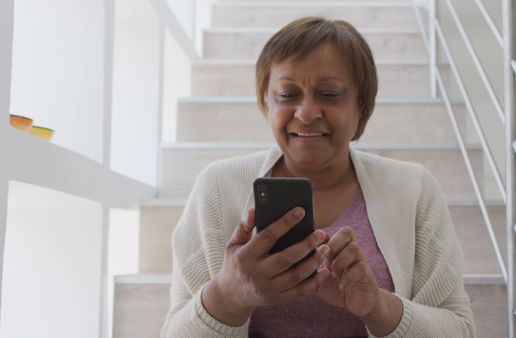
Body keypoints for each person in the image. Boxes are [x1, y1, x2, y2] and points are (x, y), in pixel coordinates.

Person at [161, 17, 475, 338]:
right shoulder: (217, 187)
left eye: (329, 93)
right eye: (287, 95)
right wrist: (228, 296)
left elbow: (460, 328)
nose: (307, 113)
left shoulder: (413, 188)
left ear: (361, 104)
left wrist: (378, 307)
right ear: (266, 102)